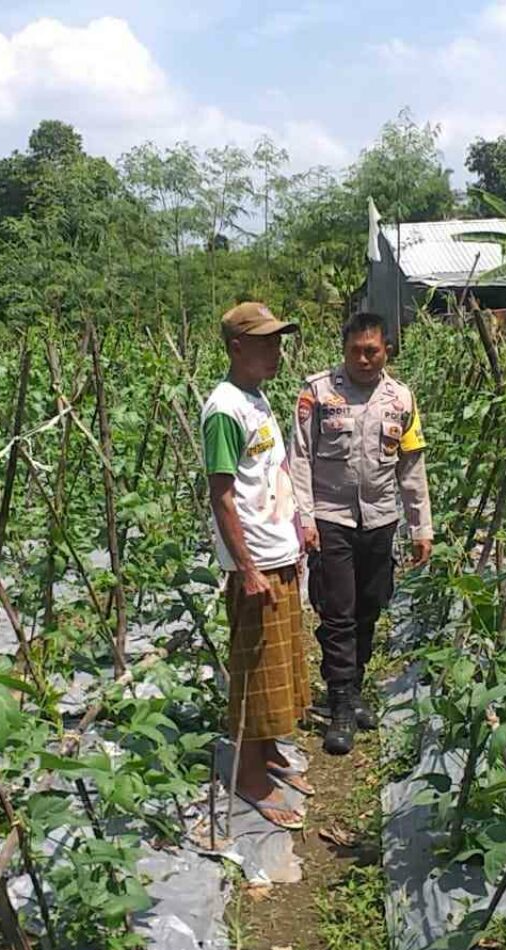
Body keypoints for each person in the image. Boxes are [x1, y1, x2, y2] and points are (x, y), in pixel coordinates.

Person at [290, 311, 433, 755]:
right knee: (338, 613)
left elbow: (411, 467)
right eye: (355, 351)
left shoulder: (401, 399)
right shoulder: (318, 393)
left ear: (386, 350)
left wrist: (421, 527)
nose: (364, 359)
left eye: (372, 351)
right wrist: (305, 520)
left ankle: (354, 688)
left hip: (380, 518)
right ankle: (339, 704)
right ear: (344, 351)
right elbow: (299, 458)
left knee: (370, 605)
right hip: (331, 517)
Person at [201, 301, 312, 829]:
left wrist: (299, 524)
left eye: (279, 341)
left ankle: (267, 754)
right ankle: (248, 776)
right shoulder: (225, 409)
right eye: (266, 342)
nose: (277, 351)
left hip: (278, 550)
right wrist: (247, 569)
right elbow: (222, 495)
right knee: (253, 674)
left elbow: (270, 473)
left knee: (276, 668)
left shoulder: (255, 397)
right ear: (237, 347)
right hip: (258, 563)